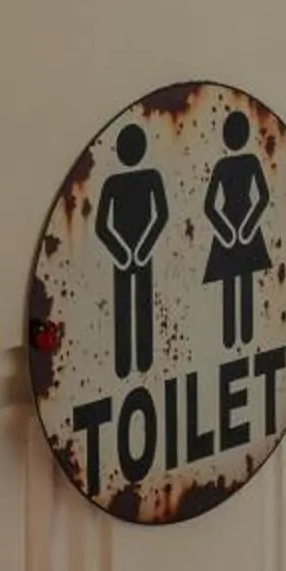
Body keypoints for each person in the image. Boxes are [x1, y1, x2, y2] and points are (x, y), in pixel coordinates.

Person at [96, 123, 168, 379]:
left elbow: (162, 215)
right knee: (125, 306)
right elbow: (101, 225)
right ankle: (124, 364)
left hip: (138, 254)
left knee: (141, 303)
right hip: (127, 256)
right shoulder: (114, 183)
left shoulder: (149, 178)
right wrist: (127, 251)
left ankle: (144, 359)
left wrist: (139, 248)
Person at [203, 111, 274, 350]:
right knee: (230, 282)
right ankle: (230, 338)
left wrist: (245, 227)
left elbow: (263, 196)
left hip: (242, 227)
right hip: (235, 228)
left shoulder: (249, 162)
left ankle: (244, 335)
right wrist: (229, 231)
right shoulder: (224, 165)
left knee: (243, 281)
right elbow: (209, 205)